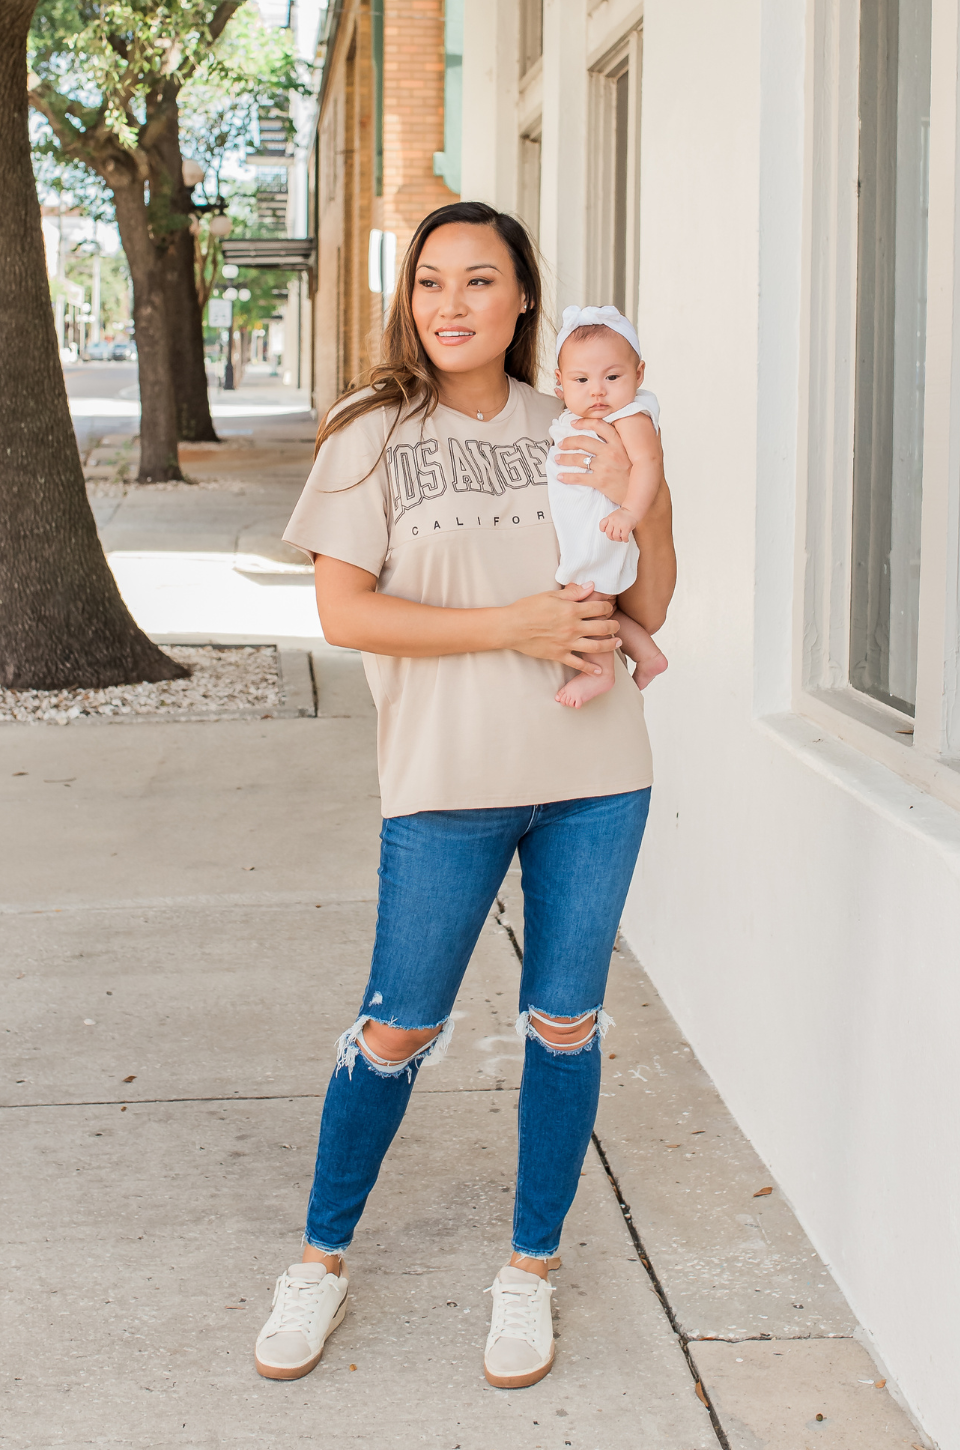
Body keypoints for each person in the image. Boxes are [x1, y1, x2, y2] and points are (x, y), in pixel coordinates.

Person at [253, 201, 676, 1389]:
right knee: (401, 1023)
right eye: (430, 281)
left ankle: (529, 1269)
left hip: (597, 776)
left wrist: (648, 477)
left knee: (564, 1020)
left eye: (478, 281)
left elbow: (650, 599)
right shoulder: (372, 433)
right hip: (446, 782)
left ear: (524, 298)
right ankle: (321, 1258)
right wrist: (514, 624)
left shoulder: (581, 418)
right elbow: (344, 613)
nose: (449, 304)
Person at [547, 304, 668, 708]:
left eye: (612, 377)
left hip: (605, 525)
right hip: (593, 523)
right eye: (582, 379)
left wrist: (630, 512)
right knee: (602, 602)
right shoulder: (574, 414)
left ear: (639, 374)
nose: (597, 390)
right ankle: (648, 655)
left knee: (587, 598)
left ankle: (598, 673)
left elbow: (649, 465)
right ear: (560, 384)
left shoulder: (631, 414)